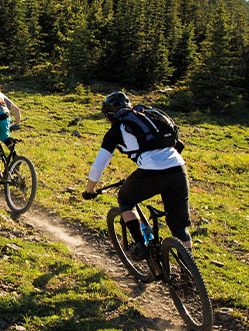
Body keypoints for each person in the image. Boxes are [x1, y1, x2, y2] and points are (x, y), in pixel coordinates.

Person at [82, 92, 192, 258]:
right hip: (178, 169)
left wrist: (89, 191)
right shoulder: (151, 117)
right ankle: (189, 274)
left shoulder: (116, 130)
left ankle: (141, 246)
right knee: (179, 228)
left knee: (125, 199)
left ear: (109, 115)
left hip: (151, 171)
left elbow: (99, 165)